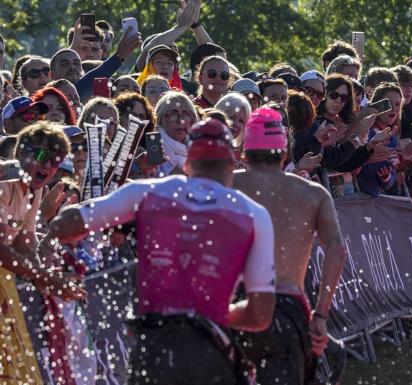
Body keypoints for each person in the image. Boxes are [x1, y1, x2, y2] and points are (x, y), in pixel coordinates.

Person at [47, 117, 276, 384]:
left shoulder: (148, 192)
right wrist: (214, 313)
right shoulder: (253, 214)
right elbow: (260, 315)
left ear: (188, 163)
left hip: (154, 348)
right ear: (231, 163)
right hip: (212, 351)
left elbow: (66, 223)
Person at [233, 107, 346, 385]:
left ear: (244, 151)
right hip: (287, 310)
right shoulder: (312, 193)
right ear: (285, 152)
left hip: (234, 305)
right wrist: (321, 314)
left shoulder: (226, 184)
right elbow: (336, 250)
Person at [0, 121, 85, 384]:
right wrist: (46, 277)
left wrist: (47, 277)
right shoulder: (4, 183)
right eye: (39, 156)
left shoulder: (33, 191)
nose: (47, 165)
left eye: (55, 160)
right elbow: (2, 251)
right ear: (20, 154)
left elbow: (26, 245)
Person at [154, 91, 199, 175]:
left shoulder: (200, 152)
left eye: (186, 114)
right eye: (173, 114)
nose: (181, 121)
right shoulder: (152, 149)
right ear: (160, 118)